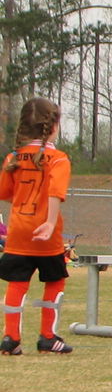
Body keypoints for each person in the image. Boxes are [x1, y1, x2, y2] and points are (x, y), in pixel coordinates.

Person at [0, 98, 73, 355]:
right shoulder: (58, 158)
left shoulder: (13, 157)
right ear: (53, 126)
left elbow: (5, 192)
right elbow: (55, 191)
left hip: (19, 230)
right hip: (46, 232)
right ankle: (47, 337)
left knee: (17, 283)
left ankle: (10, 338)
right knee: (54, 281)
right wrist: (50, 221)